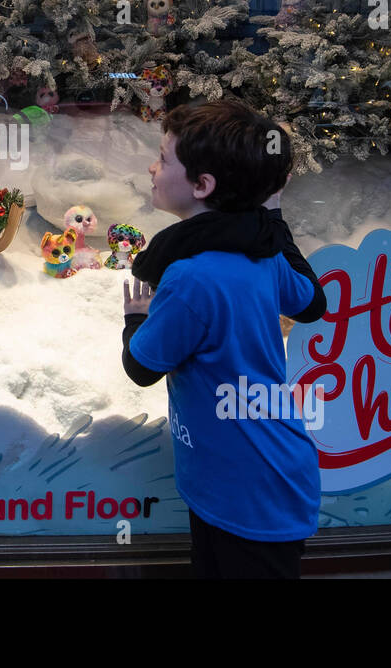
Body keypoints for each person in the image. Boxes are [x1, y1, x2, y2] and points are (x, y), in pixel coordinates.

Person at [119, 100, 328, 578]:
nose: (153, 167)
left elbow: (142, 367)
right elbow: (312, 302)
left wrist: (135, 318)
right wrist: (273, 217)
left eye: (164, 158)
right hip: (266, 473)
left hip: (242, 491)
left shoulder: (191, 277)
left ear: (202, 185)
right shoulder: (260, 251)